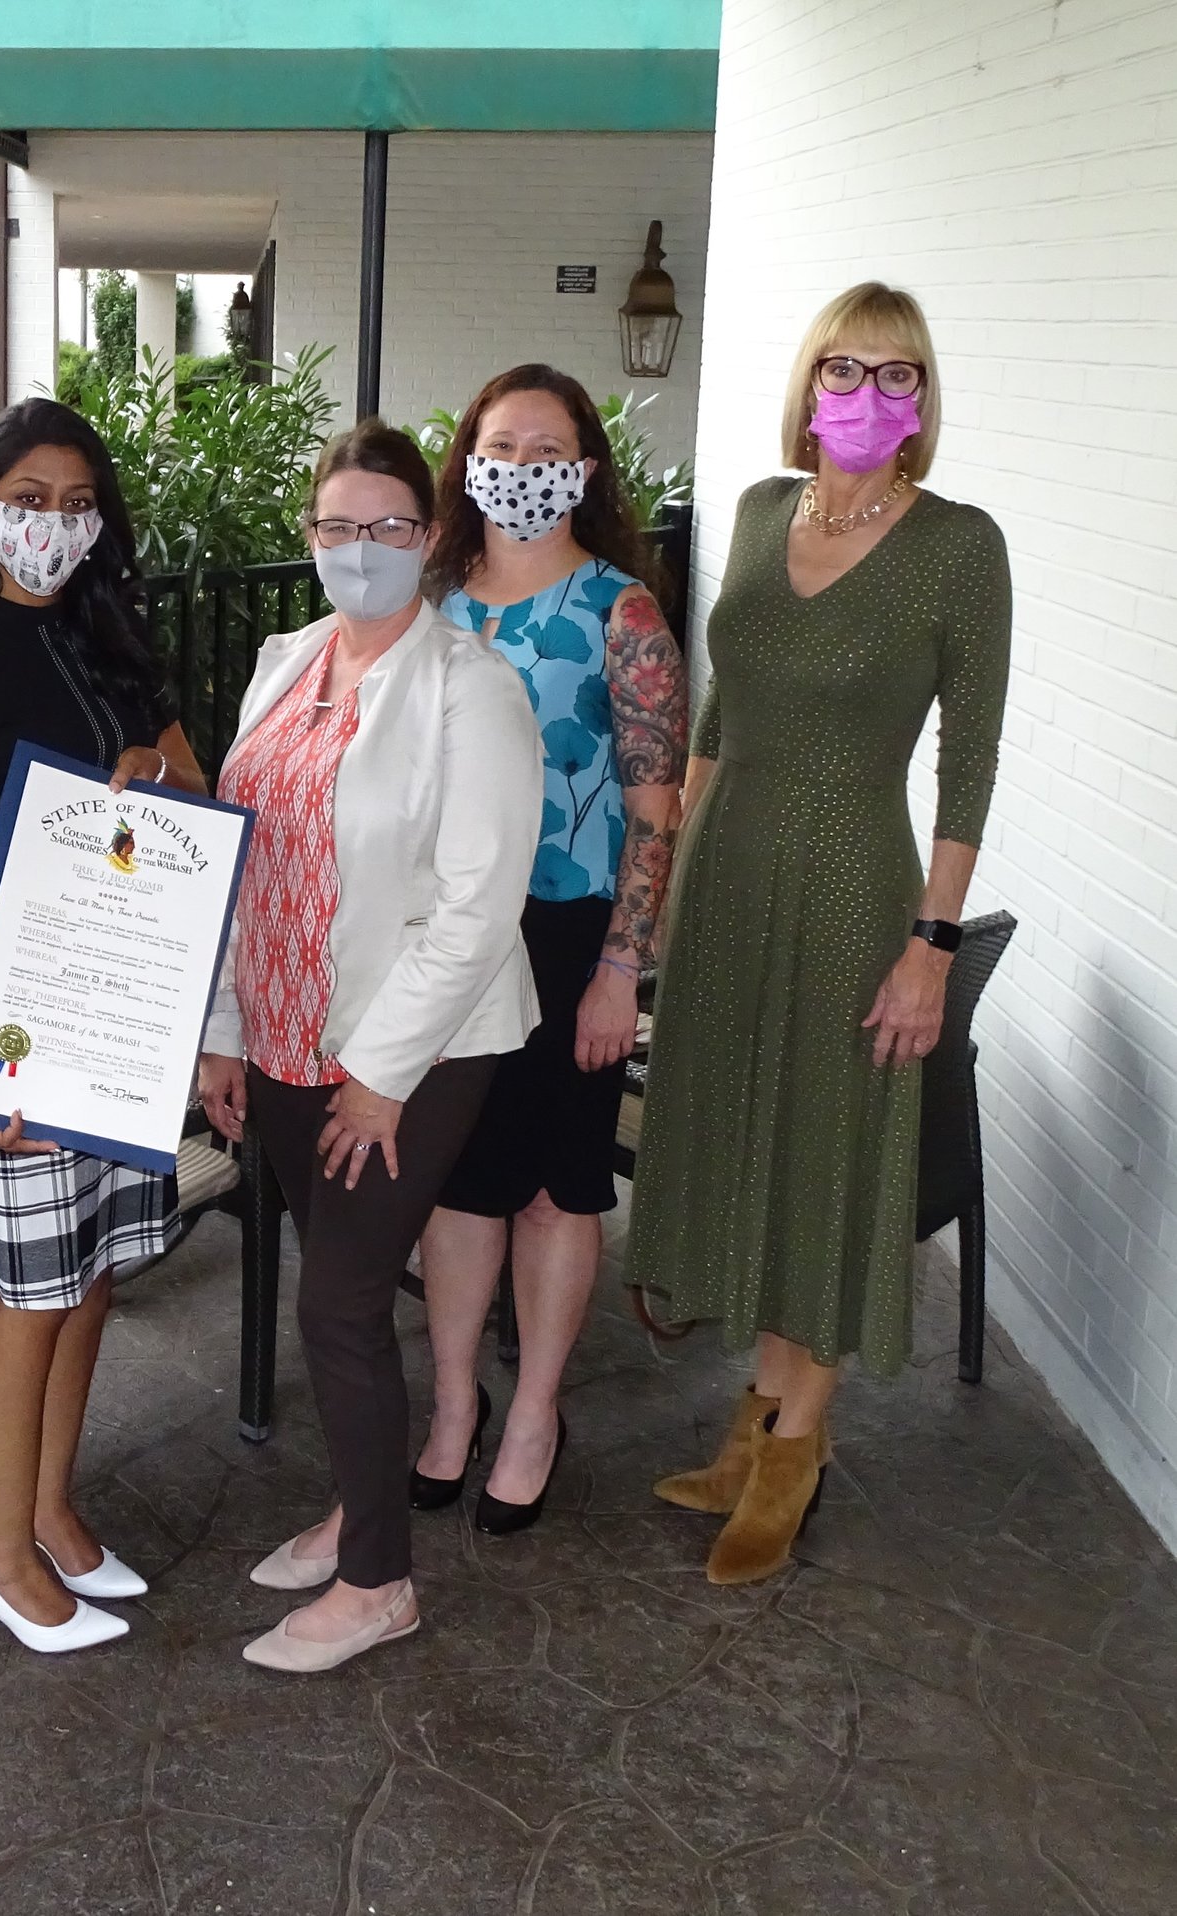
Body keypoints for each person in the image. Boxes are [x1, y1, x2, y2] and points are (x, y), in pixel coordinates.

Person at [631, 282, 1011, 1585]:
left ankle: (800, 1449)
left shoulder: (959, 546)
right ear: (807, 385)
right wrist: (676, 882)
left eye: (896, 375)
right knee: (754, 1142)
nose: (865, 395)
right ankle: (758, 1420)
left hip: (858, 884)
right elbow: (725, 713)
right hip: (733, 877)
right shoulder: (752, 511)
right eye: (843, 368)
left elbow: (969, 763)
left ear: (923, 405)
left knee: (825, 1155)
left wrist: (932, 944)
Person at [197, 419, 539, 1673]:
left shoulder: (472, 688)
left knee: (339, 1303)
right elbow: (249, 864)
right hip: (286, 1029)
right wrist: (227, 1031)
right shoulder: (288, 657)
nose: (361, 550)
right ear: (311, 537)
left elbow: (478, 902)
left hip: (412, 1052)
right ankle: (362, 1502)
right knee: (333, 1293)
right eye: (337, 527)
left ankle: (379, 1579)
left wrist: (382, 1076)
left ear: (433, 537)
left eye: (389, 527)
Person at [0, 398, 209, 1655]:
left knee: (89, 1278)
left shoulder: (110, 634)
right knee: (24, 1293)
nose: (51, 523)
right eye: (28, 496)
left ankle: (52, 1508)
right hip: (16, 1035)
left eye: (77, 503)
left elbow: (196, 794)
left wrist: (154, 784)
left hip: (116, 1014)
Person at [412, 365, 689, 1534]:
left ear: (584, 465)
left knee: (553, 1186)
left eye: (546, 448)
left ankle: (532, 1411)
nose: (518, 468)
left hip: (570, 932)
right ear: (465, 453)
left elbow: (655, 804)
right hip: (442, 934)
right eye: (499, 443)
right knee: (459, 1180)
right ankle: (448, 1408)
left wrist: (623, 967)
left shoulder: (621, 611)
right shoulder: (423, 600)